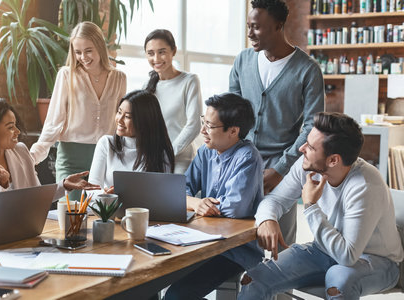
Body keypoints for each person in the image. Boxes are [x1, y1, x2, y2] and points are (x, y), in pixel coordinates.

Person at [238, 112, 404, 300]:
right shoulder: (307, 164)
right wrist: (267, 219)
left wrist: (310, 206)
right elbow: (274, 199)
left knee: (339, 279)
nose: (301, 149)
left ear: (333, 160)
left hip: (377, 261)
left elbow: (347, 257)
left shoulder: (364, 185)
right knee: (253, 278)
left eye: (310, 146)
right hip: (324, 251)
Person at [229, 0, 325, 246]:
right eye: (249, 26)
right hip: (242, 160)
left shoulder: (308, 69)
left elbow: (312, 127)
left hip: (283, 164)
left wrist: (282, 168)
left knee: (278, 244)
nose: (250, 33)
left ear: (278, 26)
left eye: (257, 27)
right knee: (233, 237)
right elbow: (231, 113)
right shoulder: (242, 61)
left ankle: (278, 284)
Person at [164, 93, 264, 300]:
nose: (202, 131)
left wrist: (194, 204)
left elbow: (235, 208)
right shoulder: (205, 153)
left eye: (209, 126)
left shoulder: (248, 156)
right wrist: (196, 203)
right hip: (201, 243)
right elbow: (179, 191)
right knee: (148, 282)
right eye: (203, 122)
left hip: (234, 250)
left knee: (177, 295)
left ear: (233, 131)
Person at [0, 98, 99, 228]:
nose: (17, 131)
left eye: (15, 125)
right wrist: (0, 182)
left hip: (25, 232)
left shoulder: (20, 151)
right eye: (10, 127)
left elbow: (34, 197)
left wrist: (64, 185)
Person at [30, 21, 126, 200]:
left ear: (100, 46)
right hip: (71, 159)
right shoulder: (67, 75)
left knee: (102, 216)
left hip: (107, 156)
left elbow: (121, 122)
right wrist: (31, 158)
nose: (83, 57)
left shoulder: (119, 78)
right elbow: (53, 122)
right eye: (78, 52)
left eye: (89, 50)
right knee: (71, 217)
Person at [88, 90, 175, 191]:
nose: (119, 120)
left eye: (127, 117)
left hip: (144, 207)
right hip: (108, 206)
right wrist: (107, 197)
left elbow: (162, 195)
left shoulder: (160, 152)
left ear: (144, 121)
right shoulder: (106, 143)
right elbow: (91, 190)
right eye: (119, 112)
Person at [144, 29, 202, 174]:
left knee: (175, 196)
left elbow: (194, 124)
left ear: (174, 51)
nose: (156, 58)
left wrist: (168, 153)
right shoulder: (146, 86)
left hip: (181, 159)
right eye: (150, 53)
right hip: (152, 158)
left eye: (162, 52)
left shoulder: (189, 81)